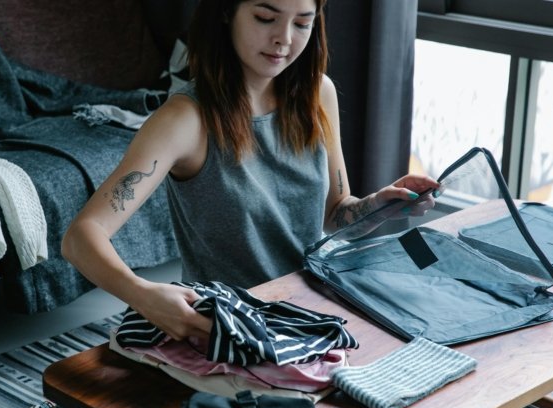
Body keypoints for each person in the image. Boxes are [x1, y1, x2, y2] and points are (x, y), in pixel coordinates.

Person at [61, 0, 439, 343]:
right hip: (234, 325)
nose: (284, 40)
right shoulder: (186, 120)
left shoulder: (317, 94)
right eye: (265, 17)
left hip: (317, 309)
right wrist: (142, 294)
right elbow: (81, 236)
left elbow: (336, 214)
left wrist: (379, 205)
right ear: (226, 11)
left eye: (302, 24)